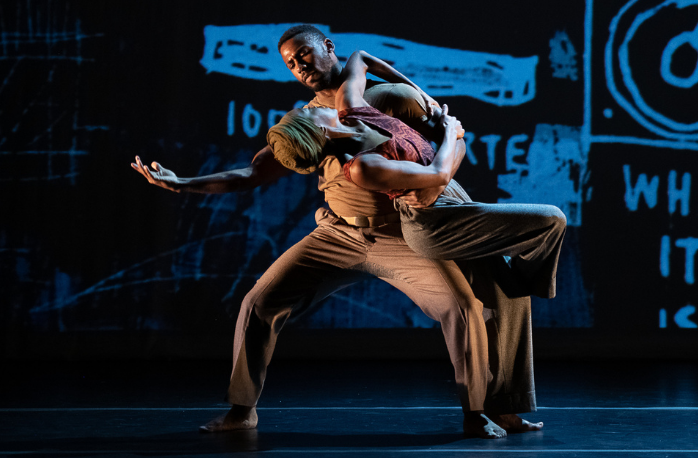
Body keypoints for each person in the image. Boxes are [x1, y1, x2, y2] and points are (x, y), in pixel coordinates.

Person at [131, 25, 543, 439]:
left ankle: (478, 412)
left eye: (304, 54)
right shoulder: (305, 124)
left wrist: (443, 129)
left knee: (465, 308)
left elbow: (444, 154)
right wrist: (181, 182)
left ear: (328, 47)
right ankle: (242, 410)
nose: (300, 66)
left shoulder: (388, 99)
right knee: (259, 302)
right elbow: (252, 173)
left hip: (402, 234)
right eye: (291, 64)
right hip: (338, 235)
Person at [269, 49, 566, 302]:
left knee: (507, 268)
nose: (311, 108)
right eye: (308, 115)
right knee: (550, 220)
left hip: (447, 201)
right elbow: (438, 173)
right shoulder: (361, 167)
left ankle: (517, 287)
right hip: (430, 226)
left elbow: (360, 57)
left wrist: (429, 100)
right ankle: (527, 287)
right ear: (319, 133)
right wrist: (450, 132)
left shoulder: (351, 107)